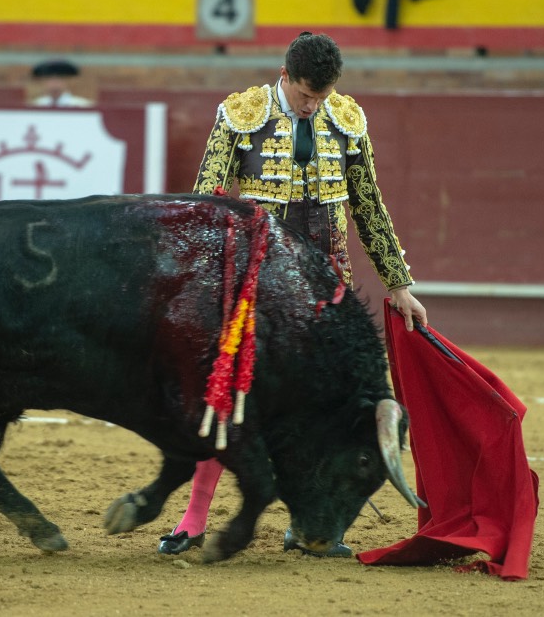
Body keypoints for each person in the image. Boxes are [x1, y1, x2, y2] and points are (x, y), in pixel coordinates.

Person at [158, 31, 428, 557]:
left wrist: (398, 282)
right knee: (230, 391)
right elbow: (206, 200)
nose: (313, 106)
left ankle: (312, 523)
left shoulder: (346, 119)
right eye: (307, 95)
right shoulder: (241, 114)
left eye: (322, 97)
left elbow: (368, 206)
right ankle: (193, 518)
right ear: (286, 77)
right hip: (259, 284)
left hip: (329, 287)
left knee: (326, 406)